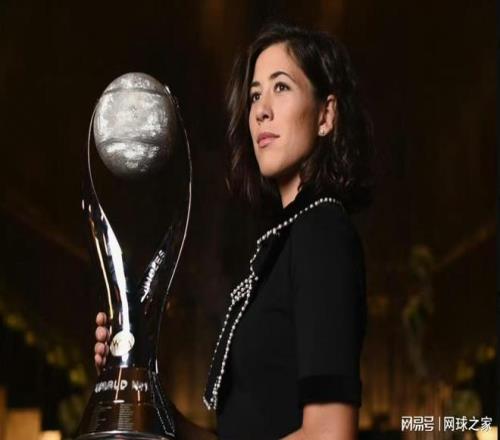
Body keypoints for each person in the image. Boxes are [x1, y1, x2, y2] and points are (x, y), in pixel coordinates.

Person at [94, 22, 373, 440]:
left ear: (326, 115)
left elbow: (330, 434)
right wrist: (138, 387)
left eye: (281, 87)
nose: (261, 110)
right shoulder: (282, 243)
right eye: (255, 95)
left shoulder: (322, 233)